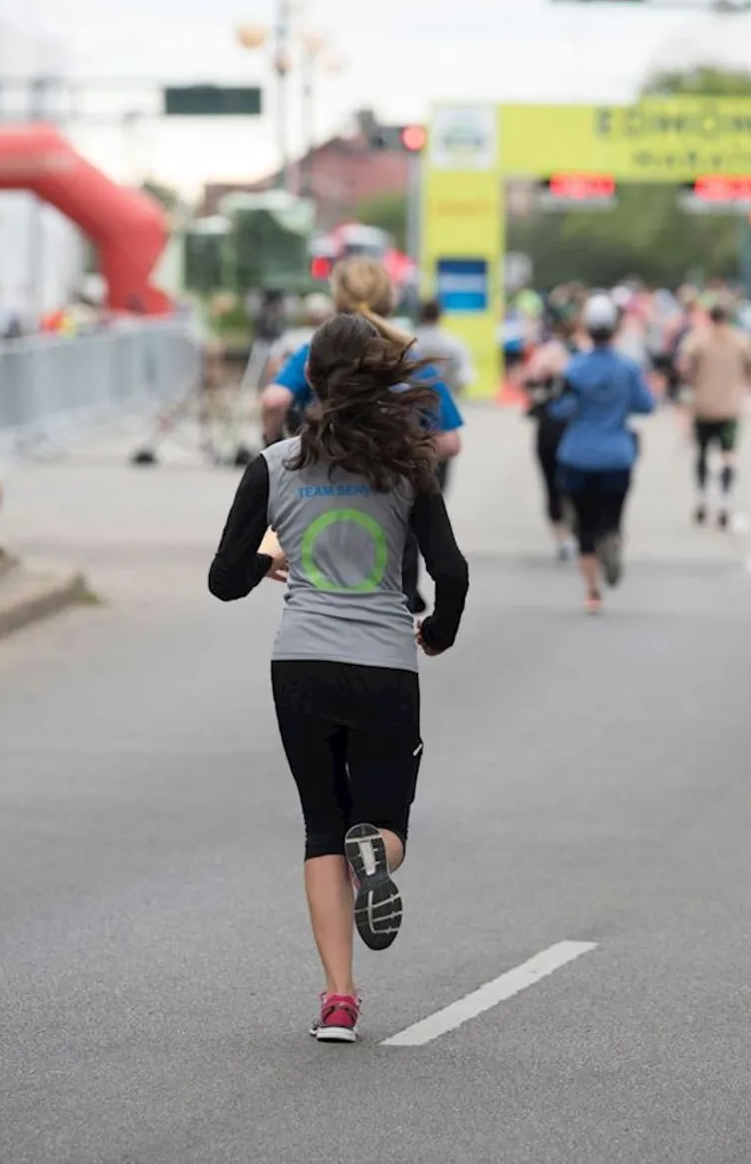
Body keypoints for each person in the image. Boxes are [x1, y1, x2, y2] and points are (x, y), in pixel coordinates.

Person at [208, 313, 469, 1044]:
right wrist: (438, 633)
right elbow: (451, 570)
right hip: (384, 662)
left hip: (301, 664)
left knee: (321, 825)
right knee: (385, 825)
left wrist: (271, 561)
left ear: (311, 381)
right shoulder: (409, 467)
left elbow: (223, 579)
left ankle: (339, 1000)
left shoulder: (274, 464)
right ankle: (376, 856)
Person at [260, 260, 464, 615]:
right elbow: (450, 442)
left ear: (337, 300)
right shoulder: (406, 356)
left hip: (324, 496)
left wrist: (276, 442)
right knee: (395, 603)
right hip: (392, 506)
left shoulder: (318, 352)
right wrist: (399, 448)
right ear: (388, 299)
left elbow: (273, 399)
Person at [552, 296, 654, 614]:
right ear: (616, 329)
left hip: (578, 453)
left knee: (583, 526)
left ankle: (592, 592)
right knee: (613, 517)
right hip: (616, 455)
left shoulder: (574, 367)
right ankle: (612, 539)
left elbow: (560, 408)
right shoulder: (628, 368)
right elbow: (646, 405)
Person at [678, 300, 751, 530]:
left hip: (703, 404)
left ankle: (702, 498)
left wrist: (693, 382)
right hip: (730, 406)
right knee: (728, 455)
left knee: (702, 453)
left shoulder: (697, 339)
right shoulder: (741, 340)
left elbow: (685, 367)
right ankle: (725, 501)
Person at [521, 303, 580, 561]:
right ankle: (578, 528)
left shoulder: (545, 353)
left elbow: (530, 383)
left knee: (551, 482)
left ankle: (561, 536)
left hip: (549, 425)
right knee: (577, 482)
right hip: (577, 425)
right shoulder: (583, 353)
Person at [409, 299, 475, 494]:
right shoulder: (454, 344)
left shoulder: (408, 343)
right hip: (441, 416)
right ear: (440, 315)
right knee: (437, 485)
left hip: (408, 417)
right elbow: (464, 378)